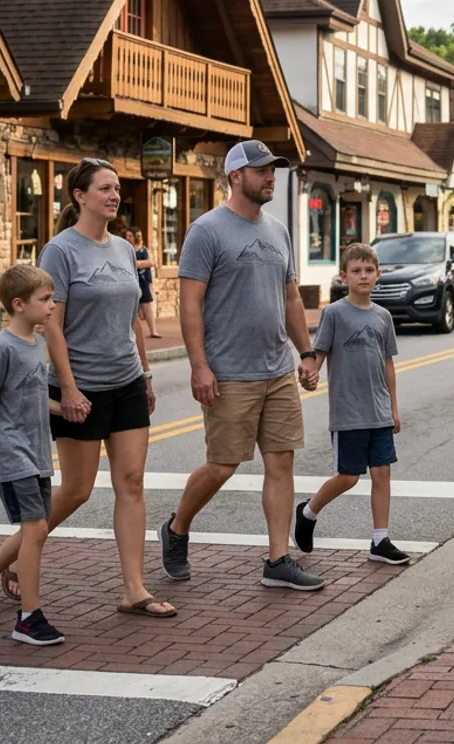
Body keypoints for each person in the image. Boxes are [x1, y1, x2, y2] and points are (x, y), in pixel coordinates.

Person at [0, 159, 175, 618]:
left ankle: (134, 589)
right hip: (82, 388)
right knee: (76, 491)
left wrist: (145, 376)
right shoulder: (60, 251)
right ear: (80, 196)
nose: (114, 195)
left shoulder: (125, 250)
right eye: (105, 189)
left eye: (116, 189)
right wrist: (67, 388)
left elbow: (131, 319)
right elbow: (54, 327)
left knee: (131, 483)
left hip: (126, 381)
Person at [161, 141, 324, 591]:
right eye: (262, 171)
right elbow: (189, 304)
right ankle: (176, 528)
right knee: (223, 465)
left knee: (281, 463)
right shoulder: (207, 231)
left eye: (273, 170)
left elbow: (290, 297)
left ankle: (277, 561)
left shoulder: (278, 230)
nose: (271, 177)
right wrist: (199, 366)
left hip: (276, 368)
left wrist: (306, 353)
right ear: (236, 176)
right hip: (229, 371)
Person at [0, 265, 67, 645]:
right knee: (36, 530)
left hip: (38, 452)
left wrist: (65, 406)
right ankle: (29, 618)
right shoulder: (2, 348)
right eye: (45, 299)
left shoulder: (37, 344)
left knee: (35, 530)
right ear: (19, 305)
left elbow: (32, 394)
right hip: (11, 451)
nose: (52, 306)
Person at [293, 243, 410, 565]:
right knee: (348, 477)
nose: (363, 276)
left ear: (378, 274)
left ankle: (380, 539)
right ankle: (308, 511)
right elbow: (320, 354)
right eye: (356, 271)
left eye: (369, 270)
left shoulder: (383, 317)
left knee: (382, 473)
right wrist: (310, 372)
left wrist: (393, 408)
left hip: (379, 410)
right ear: (343, 276)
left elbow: (388, 364)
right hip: (348, 411)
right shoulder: (334, 313)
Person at [125, 226, 161, 339]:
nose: (128, 238)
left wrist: (137, 263)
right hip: (131, 281)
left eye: (130, 236)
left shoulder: (144, 250)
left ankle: (154, 331)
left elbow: (151, 262)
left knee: (147, 306)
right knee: (132, 309)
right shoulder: (125, 249)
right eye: (127, 236)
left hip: (143, 281)